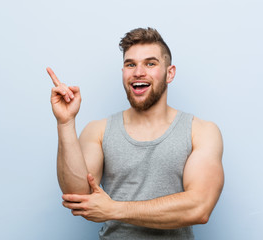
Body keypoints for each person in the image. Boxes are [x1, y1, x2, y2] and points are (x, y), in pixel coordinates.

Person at [47, 27, 224, 239]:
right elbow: (78, 196)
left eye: (150, 63)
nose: (138, 72)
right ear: (123, 72)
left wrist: (114, 209)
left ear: (170, 73)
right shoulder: (99, 130)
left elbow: (199, 207)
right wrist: (65, 123)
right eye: (130, 64)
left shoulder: (201, 131)